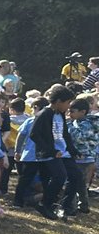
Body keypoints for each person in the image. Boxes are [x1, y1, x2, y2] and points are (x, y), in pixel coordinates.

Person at [29, 85, 83, 221]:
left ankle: (64, 206)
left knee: (76, 175)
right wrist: (51, 151)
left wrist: (73, 150)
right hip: (49, 154)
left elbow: (64, 133)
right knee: (60, 176)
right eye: (68, 103)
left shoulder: (60, 114)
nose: (69, 106)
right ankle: (45, 204)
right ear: (59, 101)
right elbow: (34, 135)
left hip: (62, 152)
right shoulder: (44, 114)